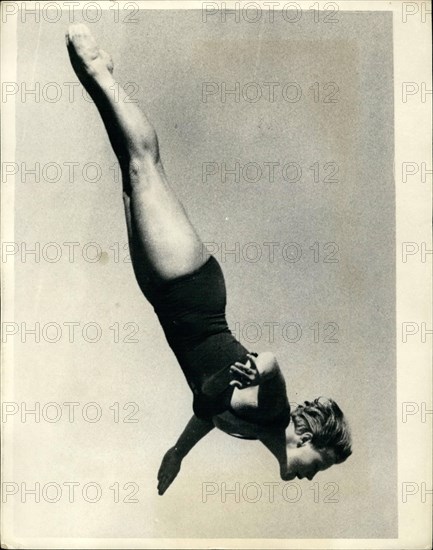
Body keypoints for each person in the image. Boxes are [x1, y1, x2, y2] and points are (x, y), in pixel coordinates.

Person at [65, 24, 352, 496]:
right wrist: (259, 369)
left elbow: (206, 410)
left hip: (165, 297)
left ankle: (102, 78)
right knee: (144, 165)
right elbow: (274, 364)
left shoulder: (251, 429)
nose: (308, 476)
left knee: (129, 173)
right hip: (190, 287)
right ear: (305, 436)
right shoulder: (272, 413)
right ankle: (98, 68)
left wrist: (178, 453)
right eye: (317, 465)